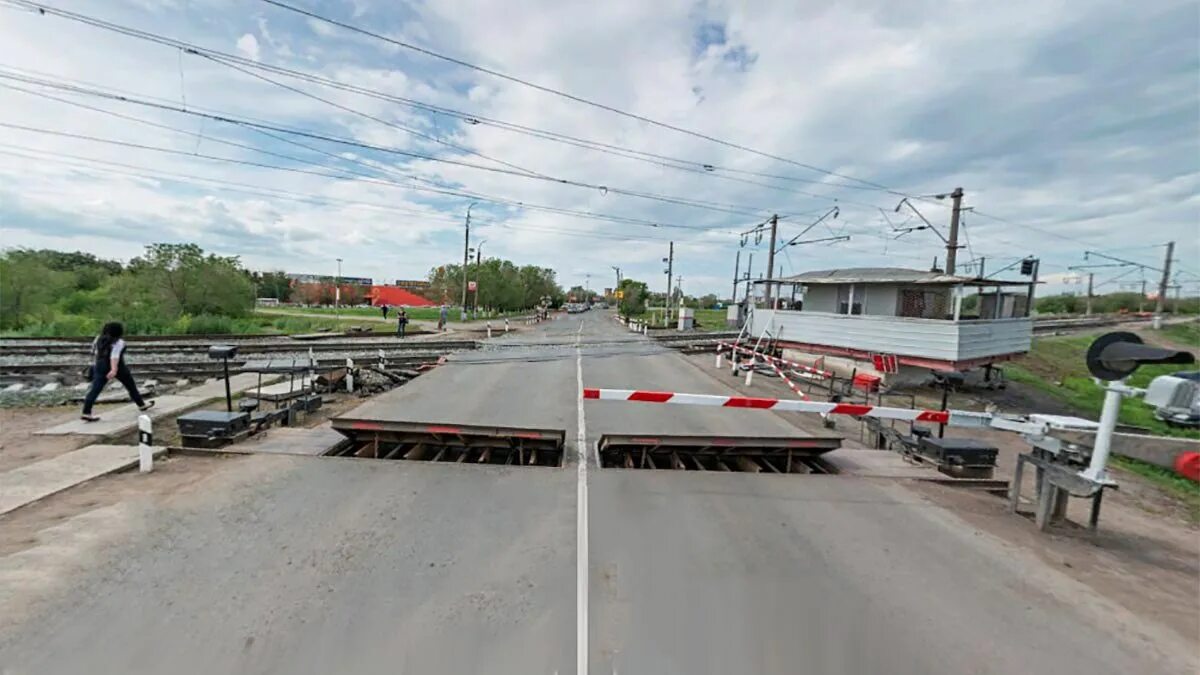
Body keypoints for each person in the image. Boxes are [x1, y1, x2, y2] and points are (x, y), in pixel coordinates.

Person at [81, 321, 154, 422]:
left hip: (99, 365)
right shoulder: (119, 342)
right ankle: (141, 404)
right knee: (130, 385)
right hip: (118, 367)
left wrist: (95, 365)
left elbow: (95, 352)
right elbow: (114, 356)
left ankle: (86, 412)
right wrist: (114, 369)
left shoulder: (98, 338)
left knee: (95, 389)